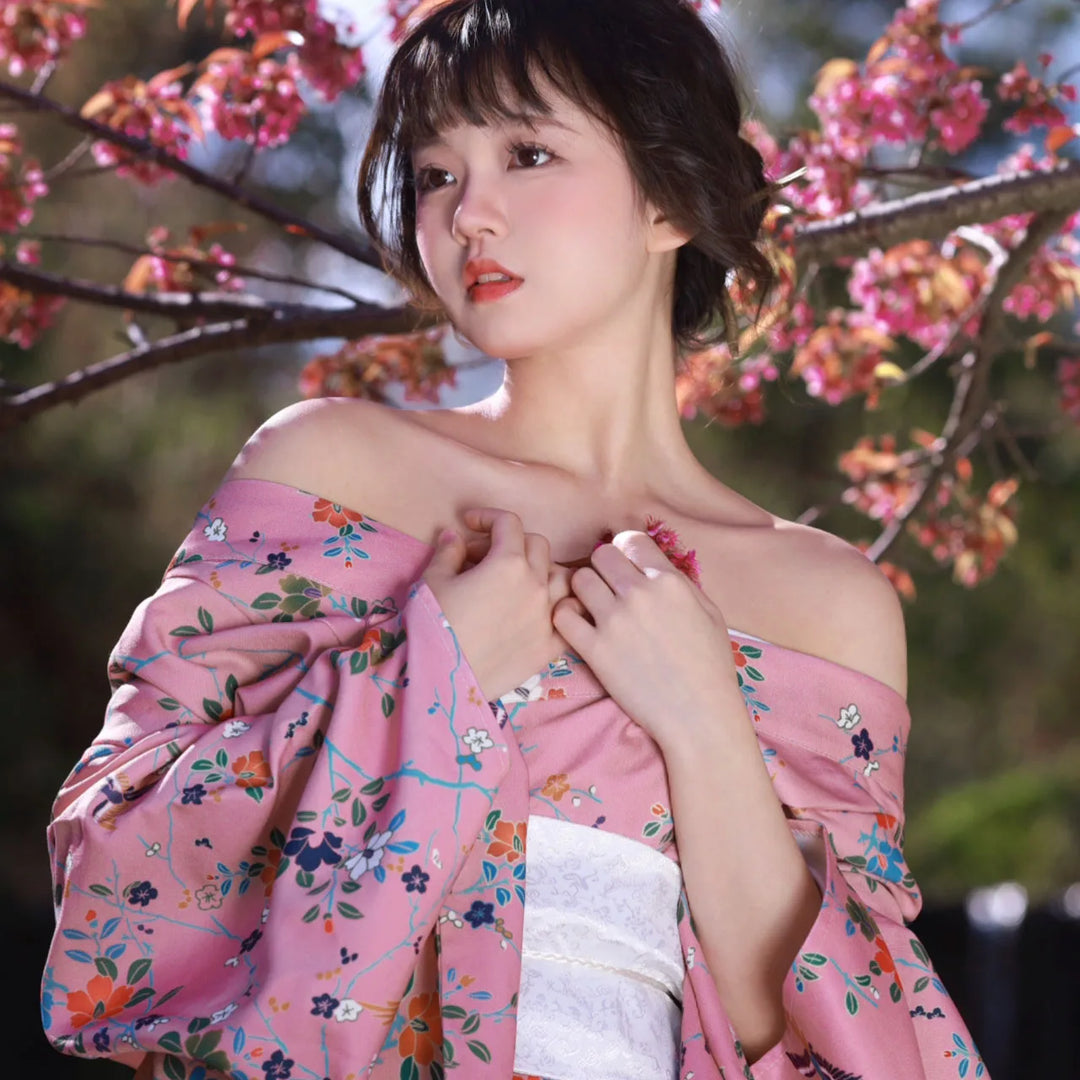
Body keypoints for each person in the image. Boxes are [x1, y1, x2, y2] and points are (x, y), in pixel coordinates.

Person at [41, 0, 988, 1077]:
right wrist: (431, 673)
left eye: (527, 153)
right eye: (437, 174)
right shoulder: (333, 471)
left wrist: (708, 726)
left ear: (674, 197)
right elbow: (119, 882)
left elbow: (850, 1041)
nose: (468, 215)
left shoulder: (827, 602)